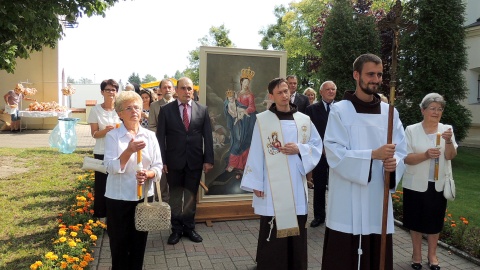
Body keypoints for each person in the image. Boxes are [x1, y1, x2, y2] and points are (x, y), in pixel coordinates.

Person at [321, 54, 407, 270]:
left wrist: (394, 163)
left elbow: (402, 149)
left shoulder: (390, 113)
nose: (376, 79)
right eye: (370, 74)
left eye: (379, 75)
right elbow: (333, 152)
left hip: (378, 198)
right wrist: (372, 155)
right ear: (356, 75)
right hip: (347, 200)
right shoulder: (340, 110)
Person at [240, 78, 322, 270]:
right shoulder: (263, 120)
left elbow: (317, 146)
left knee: (297, 227)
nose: (285, 95)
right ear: (272, 96)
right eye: (280, 93)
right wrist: (256, 183)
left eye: (286, 91)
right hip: (271, 183)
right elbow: (256, 151)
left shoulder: (304, 120)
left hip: (295, 182)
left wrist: (300, 149)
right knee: (272, 226)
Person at [103, 90, 163, 270]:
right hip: (118, 199)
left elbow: (158, 166)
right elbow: (110, 167)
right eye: (128, 108)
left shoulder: (150, 136)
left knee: (139, 244)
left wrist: (148, 174)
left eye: (137, 107)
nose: (134, 111)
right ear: (120, 113)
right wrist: (128, 150)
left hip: (143, 198)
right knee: (119, 245)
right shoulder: (113, 136)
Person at [403, 93, 457, 270]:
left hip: (438, 184)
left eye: (439, 109)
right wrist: (425, 155)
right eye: (432, 108)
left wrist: (448, 142)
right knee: (415, 221)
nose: (436, 112)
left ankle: (432, 256)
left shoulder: (446, 129)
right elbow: (406, 158)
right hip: (415, 184)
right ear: (423, 110)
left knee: (435, 222)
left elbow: (450, 156)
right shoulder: (411, 130)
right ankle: (416, 254)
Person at [157, 77, 214, 245]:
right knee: (175, 197)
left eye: (189, 88)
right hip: (173, 162)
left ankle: (189, 228)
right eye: (183, 88)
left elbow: (208, 137)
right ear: (176, 90)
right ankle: (176, 229)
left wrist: (208, 159)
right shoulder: (166, 110)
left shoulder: (202, 110)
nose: (186, 91)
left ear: (193, 91)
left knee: (190, 197)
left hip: (195, 161)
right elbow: (160, 138)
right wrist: (162, 161)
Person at [304, 80, 337, 228]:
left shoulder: (341, 109)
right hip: (320, 154)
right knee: (319, 186)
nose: (331, 91)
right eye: (328, 89)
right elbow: (309, 132)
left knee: (337, 186)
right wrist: (320, 147)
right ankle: (319, 216)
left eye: (333, 89)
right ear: (321, 92)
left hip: (338, 154)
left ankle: (336, 216)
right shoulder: (311, 109)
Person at [87, 79, 121, 218]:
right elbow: (94, 134)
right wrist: (106, 130)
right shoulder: (95, 110)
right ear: (102, 92)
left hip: (118, 152)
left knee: (117, 184)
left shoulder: (120, 109)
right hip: (101, 152)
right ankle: (101, 216)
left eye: (113, 90)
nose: (111, 92)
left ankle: (114, 214)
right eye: (108, 90)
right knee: (102, 185)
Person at [147, 79, 176, 203]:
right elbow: (152, 126)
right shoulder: (154, 106)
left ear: (174, 89)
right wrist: (161, 136)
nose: (167, 89)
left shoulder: (179, 105)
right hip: (160, 147)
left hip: (176, 148)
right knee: (161, 179)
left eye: (169, 87)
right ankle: (161, 206)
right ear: (160, 90)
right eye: (164, 87)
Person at [225, 67, 257, 173]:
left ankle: (242, 165)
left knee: (243, 141)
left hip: (246, 121)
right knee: (236, 140)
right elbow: (231, 103)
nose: (246, 84)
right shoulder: (237, 94)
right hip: (237, 120)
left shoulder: (250, 95)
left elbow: (252, 107)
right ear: (241, 82)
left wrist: (243, 111)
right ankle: (233, 163)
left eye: (248, 83)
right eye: (245, 82)